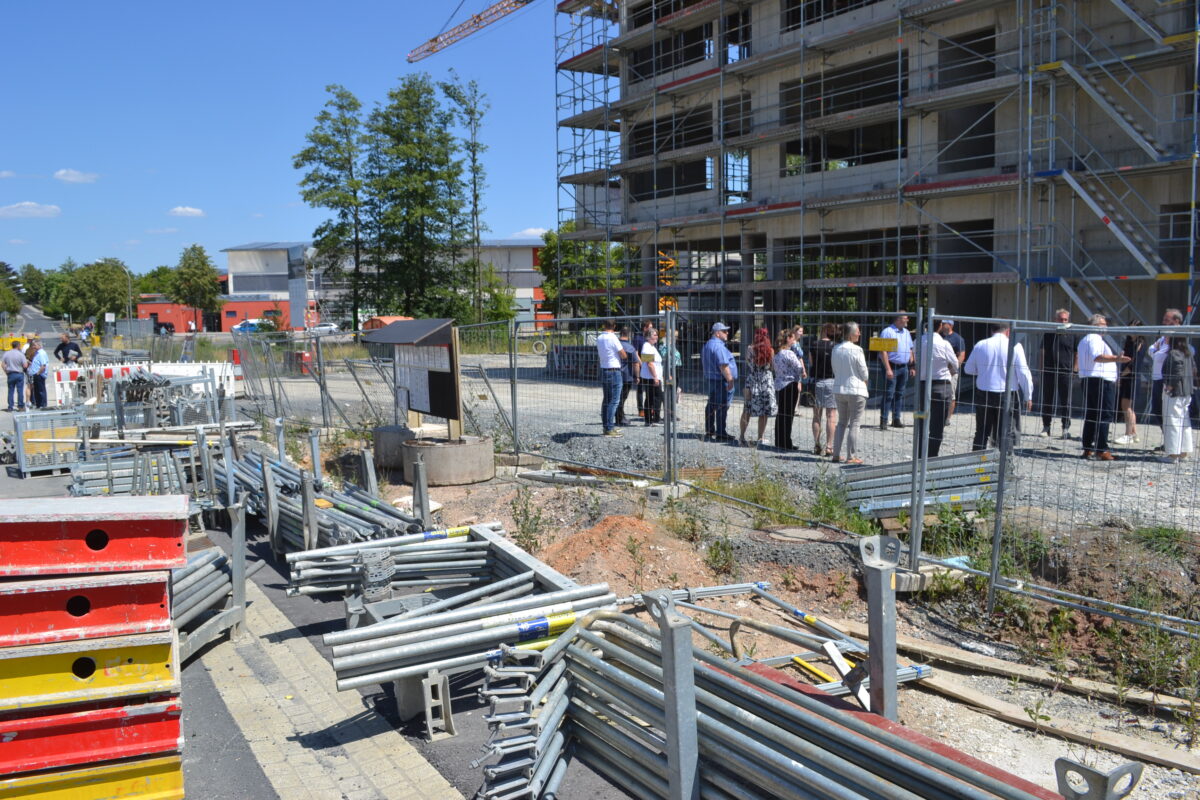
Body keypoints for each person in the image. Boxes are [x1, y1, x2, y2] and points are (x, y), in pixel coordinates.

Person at [963, 322, 1033, 452]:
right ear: (1008, 331)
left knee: (982, 431)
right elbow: (1023, 373)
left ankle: (976, 464)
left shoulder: (981, 344)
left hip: (983, 392)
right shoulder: (1015, 346)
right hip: (1007, 394)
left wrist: (984, 371)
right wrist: (1028, 395)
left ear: (991, 330)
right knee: (1006, 432)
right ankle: (1004, 466)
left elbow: (968, 369)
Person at [1077, 314, 1130, 461]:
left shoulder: (1084, 340)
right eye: (1103, 324)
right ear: (1095, 325)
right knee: (1104, 414)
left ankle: (1088, 448)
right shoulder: (1094, 339)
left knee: (1092, 414)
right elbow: (1097, 356)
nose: (1105, 326)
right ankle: (1102, 449)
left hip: (1090, 379)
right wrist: (1117, 358)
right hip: (1100, 381)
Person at [916, 320, 960, 458]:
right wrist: (948, 369)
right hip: (941, 387)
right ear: (940, 326)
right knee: (937, 425)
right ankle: (932, 456)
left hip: (922, 386)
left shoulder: (917, 341)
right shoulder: (944, 343)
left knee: (921, 420)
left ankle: (919, 456)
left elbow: (916, 359)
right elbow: (956, 364)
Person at [831, 322, 869, 464]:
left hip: (839, 388)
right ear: (851, 333)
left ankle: (836, 454)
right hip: (856, 389)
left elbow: (834, 368)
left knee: (841, 422)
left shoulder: (835, 348)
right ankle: (851, 456)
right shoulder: (857, 350)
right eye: (858, 331)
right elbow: (864, 372)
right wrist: (865, 380)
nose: (859, 334)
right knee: (855, 422)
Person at [1147, 308, 1184, 447]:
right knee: (1157, 410)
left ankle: (1173, 443)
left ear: (1176, 322)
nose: (1163, 323)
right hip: (1157, 379)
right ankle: (1168, 440)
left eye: (1166, 320)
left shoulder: (1178, 337)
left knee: (1169, 413)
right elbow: (1151, 351)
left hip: (1167, 380)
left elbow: (1160, 354)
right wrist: (1156, 350)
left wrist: (1156, 351)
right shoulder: (1164, 337)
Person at [1039, 309, 1078, 439]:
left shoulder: (1073, 334)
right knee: (1047, 400)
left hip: (1066, 371)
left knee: (1066, 401)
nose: (1063, 322)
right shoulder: (1049, 334)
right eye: (1060, 319)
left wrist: (1074, 369)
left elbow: (1076, 353)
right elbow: (1043, 351)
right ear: (1055, 320)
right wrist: (1042, 369)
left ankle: (1065, 428)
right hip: (1049, 371)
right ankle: (1046, 427)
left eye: (1065, 319)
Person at [738, 328, 776, 448]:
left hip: (752, 380)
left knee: (747, 410)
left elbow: (748, 363)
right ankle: (760, 437)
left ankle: (741, 437)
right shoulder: (770, 350)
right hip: (766, 381)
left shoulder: (750, 349)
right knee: (764, 411)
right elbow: (773, 367)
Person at [1161, 336, 1195, 463]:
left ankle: (1173, 455)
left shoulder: (1174, 352)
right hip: (1186, 391)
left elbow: (1177, 371)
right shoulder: (1188, 353)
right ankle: (1183, 452)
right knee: (1184, 422)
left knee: (1172, 422)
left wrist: (1170, 386)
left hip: (1175, 392)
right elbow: (1193, 370)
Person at [878, 312, 915, 429]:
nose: (907, 320)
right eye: (906, 318)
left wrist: (912, 365)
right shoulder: (887, 332)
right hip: (891, 367)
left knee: (899, 394)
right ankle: (883, 420)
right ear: (898, 319)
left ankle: (896, 419)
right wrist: (888, 369)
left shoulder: (907, 333)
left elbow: (910, 350)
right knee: (889, 393)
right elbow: (883, 351)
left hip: (903, 367)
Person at [702, 322, 737, 442]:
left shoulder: (707, 345)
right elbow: (723, 365)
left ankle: (710, 429)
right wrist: (730, 379)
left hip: (712, 379)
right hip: (720, 380)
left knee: (711, 404)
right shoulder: (719, 347)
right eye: (724, 331)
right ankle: (721, 433)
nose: (727, 333)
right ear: (717, 333)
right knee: (722, 406)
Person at [808, 323, 838, 455]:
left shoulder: (814, 345)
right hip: (832, 381)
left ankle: (817, 445)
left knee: (816, 416)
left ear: (823, 331)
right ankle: (830, 446)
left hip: (817, 382)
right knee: (831, 415)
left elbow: (811, 363)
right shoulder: (835, 347)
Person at [1113, 322, 1144, 445]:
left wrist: (1121, 376)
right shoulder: (1129, 342)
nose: (1131, 329)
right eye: (1130, 326)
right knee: (1128, 407)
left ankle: (1128, 434)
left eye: (1134, 327)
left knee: (1126, 406)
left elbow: (1133, 363)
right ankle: (1134, 433)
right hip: (1127, 376)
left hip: (1132, 377)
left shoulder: (1140, 343)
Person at [773, 329, 804, 451]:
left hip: (780, 385)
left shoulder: (777, 353)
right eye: (792, 338)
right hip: (790, 384)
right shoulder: (789, 353)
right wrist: (801, 373)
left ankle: (779, 440)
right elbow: (799, 367)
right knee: (788, 414)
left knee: (781, 413)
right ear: (788, 339)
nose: (794, 340)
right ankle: (787, 442)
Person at [595, 319, 626, 437]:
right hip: (614, 370)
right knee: (614, 400)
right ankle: (609, 427)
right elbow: (623, 354)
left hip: (604, 369)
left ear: (604, 325)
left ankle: (606, 426)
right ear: (614, 326)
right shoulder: (613, 338)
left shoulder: (600, 338)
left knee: (606, 400)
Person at [942, 320, 967, 417]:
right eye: (942, 323)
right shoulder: (939, 337)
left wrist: (953, 369)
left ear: (950, 325)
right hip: (939, 371)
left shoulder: (958, 339)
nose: (942, 325)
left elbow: (961, 355)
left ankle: (947, 418)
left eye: (944, 323)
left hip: (951, 372)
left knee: (951, 395)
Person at [615, 327, 639, 426]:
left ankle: (618, 416)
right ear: (629, 335)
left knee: (615, 397)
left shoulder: (615, 345)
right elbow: (635, 363)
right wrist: (637, 376)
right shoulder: (630, 348)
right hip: (626, 376)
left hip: (615, 374)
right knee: (622, 398)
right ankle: (620, 418)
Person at [640, 328, 664, 425]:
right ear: (648, 337)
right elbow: (649, 363)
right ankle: (655, 419)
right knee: (656, 397)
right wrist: (655, 377)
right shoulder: (646, 347)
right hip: (651, 377)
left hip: (653, 377)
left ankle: (649, 419)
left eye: (657, 335)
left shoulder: (651, 347)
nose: (657, 337)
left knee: (650, 398)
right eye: (654, 335)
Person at [631, 320, 653, 420]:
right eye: (650, 327)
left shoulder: (649, 339)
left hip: (648, 366)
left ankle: (649, 407)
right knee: (640, 389)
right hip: (640, 366)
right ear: (645, 328)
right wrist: (642, 363)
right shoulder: (638, 338)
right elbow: (635, 352)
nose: (651, 329)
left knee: (649, 387)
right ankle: (641, 410)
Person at [3, 341, 28, 412]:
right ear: (18, 346)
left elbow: (3, 364)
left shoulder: (7, 353)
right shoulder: (20, 354)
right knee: (20, 391)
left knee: (11, 391)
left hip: (10, 373)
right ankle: (20, 406)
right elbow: (25, 365)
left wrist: (6, 372)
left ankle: (10, 406)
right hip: (19, 373)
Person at [26, 341, 49, 409]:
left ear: (39, 345)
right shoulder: (37, 353)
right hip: (35, 374)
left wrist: (38, 373)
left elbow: (43, 365)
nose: (33, 347)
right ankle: (38, 404)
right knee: (37, 390)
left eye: (35, 346)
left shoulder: (41, 353)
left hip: (39, 374)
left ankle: (42, 404)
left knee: (40, 390)